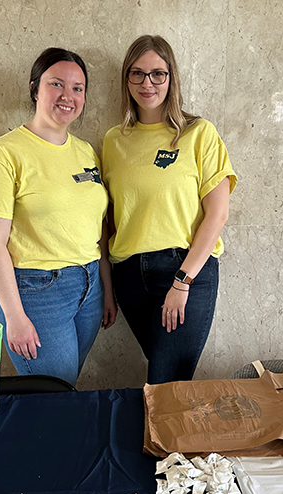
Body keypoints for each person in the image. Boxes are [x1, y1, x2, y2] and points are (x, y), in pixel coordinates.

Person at [0, 48, 116, 387]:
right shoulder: (3, 154)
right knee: (53, 393)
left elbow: (99, 230)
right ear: (35, 88)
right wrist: (14, 317)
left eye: (78, 88)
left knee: (64, 386)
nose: (68, 96)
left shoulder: (86, 151)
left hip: (89, 287)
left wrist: (106, 290)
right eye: (57, 84)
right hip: (38, 293)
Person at [102, 35, 237, 384]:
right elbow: (109, 217)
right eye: (137, 74)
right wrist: (106, 286)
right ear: (126, 80)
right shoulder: (113, 141)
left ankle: (160, 441)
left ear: (171, 78)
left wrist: (182, 281)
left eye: (158, 74)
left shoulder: (199, 133)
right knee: (168, 380)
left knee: (165, 384)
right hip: (130, 276)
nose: (147, 83)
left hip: (184, 270)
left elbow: (217, 214)